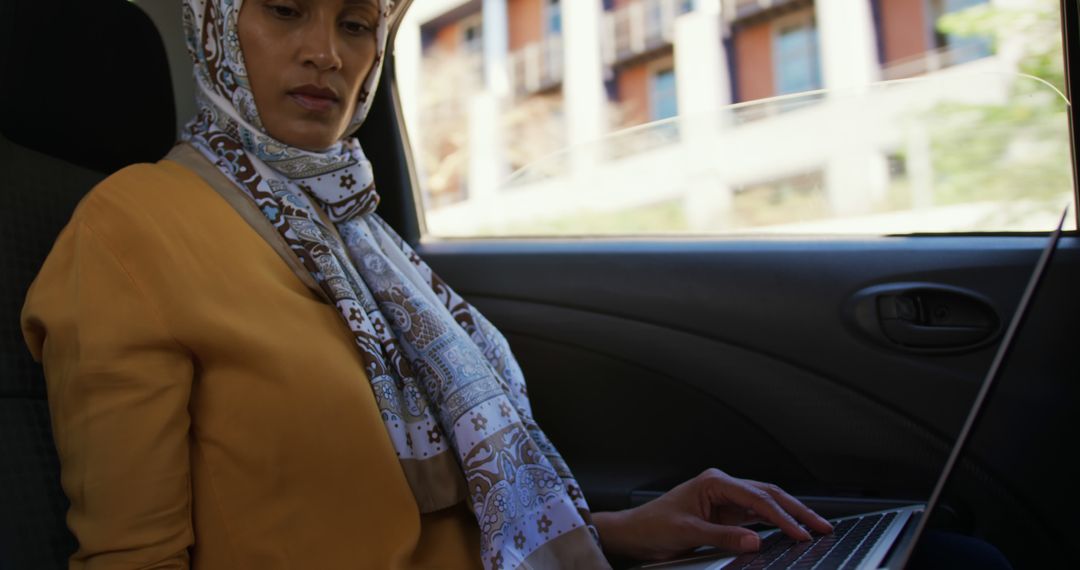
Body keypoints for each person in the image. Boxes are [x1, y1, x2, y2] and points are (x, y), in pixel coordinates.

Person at [19, 0, 839, 568]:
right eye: (282, 9)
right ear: (214, 27)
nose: (326, 53)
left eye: (356, 24)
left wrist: (621, 531)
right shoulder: (130, 226)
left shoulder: (363, 236)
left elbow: (446, 525)